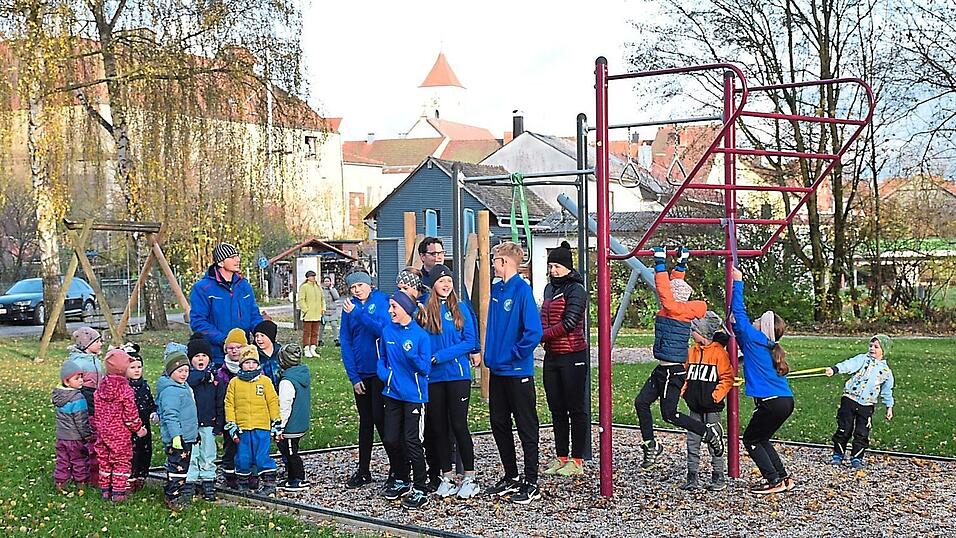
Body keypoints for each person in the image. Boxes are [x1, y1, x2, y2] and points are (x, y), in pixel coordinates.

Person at [635, 247, 723, 470]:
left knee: (670, 414)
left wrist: (660, 263)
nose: (663, 296)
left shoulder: (675, 309)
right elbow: (674, 286)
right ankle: (650, 445)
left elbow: (666, 289)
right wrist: (681, 263)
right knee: (641, 402)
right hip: (661, 370)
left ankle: (707, 432)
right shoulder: (674, 308)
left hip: (673, 372)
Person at [483, 242, 544, 505]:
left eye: (495, 259)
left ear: (505, 262)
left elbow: (534, 332)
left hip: (517, 371)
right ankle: (510, 475)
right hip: (497, 371)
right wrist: (491, 356)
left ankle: (531, 481)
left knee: (526, 425)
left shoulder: (522, 291)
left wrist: (514, 354)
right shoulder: (497, 289)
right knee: (499, 423)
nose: (493, 263)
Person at [730, 266, 794, 494]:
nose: (754, 321)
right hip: (785, 400)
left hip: (771, 402)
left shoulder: (754, 339)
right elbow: (737, 325)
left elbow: (738, 312)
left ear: (763, 328)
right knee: (762, 438)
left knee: (752, 440)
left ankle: (773, 480)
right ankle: (783, 478)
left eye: (758, 320)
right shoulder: (763, 344)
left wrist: (737, 282)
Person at [419, 264, 481, 499]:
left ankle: (469, 477)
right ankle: (446, 476)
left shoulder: (460, 307)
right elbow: (421, 339)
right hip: (434, 378)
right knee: (438, 428)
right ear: (433, 284)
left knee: (458, 425)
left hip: (457, 376)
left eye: (449, 281)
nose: (446, 285)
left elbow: (469, 341)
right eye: (441, 281)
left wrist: (440, 356)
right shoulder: (425, 309)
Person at [338, 270, 395, 489]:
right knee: (366, 421)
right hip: (361, 372)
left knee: (381, 419)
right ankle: (363, 469)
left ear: (370, 284)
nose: (357, 291)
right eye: (353, 288)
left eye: (360, 286)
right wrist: (353, 376)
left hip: (379, 370)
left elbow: (382, 329)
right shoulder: (348, 307)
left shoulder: (381, 301)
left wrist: (358, 314)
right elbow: (345, 340)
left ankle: (396, 466)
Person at [375, 290, 432, 509]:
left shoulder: (420, 336)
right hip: (392, 394)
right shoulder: (388, 331)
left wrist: (413, 357)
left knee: (412, 441)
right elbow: (381, 359)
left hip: (414, 397)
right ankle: (401, 477)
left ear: (406, 310)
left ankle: (420, 486)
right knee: (390, 438)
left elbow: (425, 368)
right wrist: (385, 375)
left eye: (394, 307)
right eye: (390, 307)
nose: (390, 311)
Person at [539, 241, 590, 477]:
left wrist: (543, 335)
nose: (553, 271)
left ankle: (577, 459)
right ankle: (561, 456)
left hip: (572, 355)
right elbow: (544, 315)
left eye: (557, 266)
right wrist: (539, 333)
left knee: (575, 408)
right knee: (556, 408)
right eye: (551, 266)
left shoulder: (576, 289)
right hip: (553, 355)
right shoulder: (549, 289)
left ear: (568, 267)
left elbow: (569, 323)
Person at [680, 312, 734, 491]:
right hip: (694, 406)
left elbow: (727, 378)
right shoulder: (692, 352)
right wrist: (684, 391)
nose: (691, 334)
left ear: (702, 333)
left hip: (711, 408)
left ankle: (718, 476)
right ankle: (692, 476)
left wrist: (715, 396)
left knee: (714, 441)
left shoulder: (719, 354)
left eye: (694, 330)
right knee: (692, 441)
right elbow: (686, 375)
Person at [825, 334, 895, 469]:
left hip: (867, 405)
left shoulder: (886, 372)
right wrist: (835, 369)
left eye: (876, 347)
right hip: (850, 399)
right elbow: (848, 364)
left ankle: (857, 458)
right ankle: (838, 455)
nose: (872, 349)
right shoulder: (862, 359)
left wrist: (889, 407)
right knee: (844, 428)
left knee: (862, 432)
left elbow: (887, 391)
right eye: (871, 346)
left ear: (884, 351)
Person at [189, 242, 264, 366]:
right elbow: (198, 322)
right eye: (232, 257)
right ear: (220, 262)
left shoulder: (244, 285)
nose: (237, 260)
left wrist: (261, 333)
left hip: (243, 354)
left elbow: (253, 314)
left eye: (237, 256)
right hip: (217, 355)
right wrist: (224, 341)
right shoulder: (203, 288)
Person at [224, 345, 281, 496]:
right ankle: (243, 482)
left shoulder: (265, 382)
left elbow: (273, 401)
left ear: (258, 364)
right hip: (243, 428)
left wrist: (276, 421)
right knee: (243, 457)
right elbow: (229, 403)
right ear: (241, 364)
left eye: (253, 362)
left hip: (261, 426)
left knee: (262, 456)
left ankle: (269, 483)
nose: (250, 366)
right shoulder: (234, 383)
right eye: (247, 363)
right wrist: (231, 423)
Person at [93, 349, 147, 502]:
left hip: (103, 432)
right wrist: (138, 429)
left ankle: (105, 489)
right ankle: (118, 492)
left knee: (104, 460)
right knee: (121, 461)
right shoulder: (125, 390)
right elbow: (130, 414)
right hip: (120, 434)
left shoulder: (101, 386)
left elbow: (97, 409)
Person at [156, 350, 199, 510]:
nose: (184, 374)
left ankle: (177, 493)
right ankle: (172, 496)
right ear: (170, 372)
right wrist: (176, 436)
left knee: (183, 467)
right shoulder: (170, 391)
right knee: (177, 468)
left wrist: (193, 434)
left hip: (187, 436)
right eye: (180, 371)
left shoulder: (183, 387)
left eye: (186, 370)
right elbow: (170, 415)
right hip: (178, 439)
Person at [185, 333, 220, 501]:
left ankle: (208, 480)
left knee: (208, 453)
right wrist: (203, 376)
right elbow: (190, 380)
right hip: (190, 424)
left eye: (204, 356)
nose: (201, 359)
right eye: (197, 356)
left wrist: (219, 421)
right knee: (192, 454)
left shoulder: (215, 377)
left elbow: (220, 401)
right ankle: (190, 481)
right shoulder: (187, 377)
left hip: (208, 422)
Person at [68, 327, 104, 486]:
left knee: (95, 435)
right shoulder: (77, 362)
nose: (101, 344)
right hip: (85, 398)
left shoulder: (95, 359)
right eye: (97, 341)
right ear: (86, 344)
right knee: (85, 435)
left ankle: (93, 472)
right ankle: (80, 472)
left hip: (96, 397)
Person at [276, 344, 312, 491]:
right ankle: (291, 477)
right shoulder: (302, 374)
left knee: (291, 453)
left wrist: (280, 426)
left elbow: (285, 405)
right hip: (301, 421)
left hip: (291, 425)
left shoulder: (287, 381)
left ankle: (298, 478)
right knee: (291, 451)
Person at [52, 359, 92, 490]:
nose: (81, 380)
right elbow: (81, 421)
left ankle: (60, 482)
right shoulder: (78, 398)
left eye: (81, 377)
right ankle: (81, 483)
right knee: (79, 460)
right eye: (77, 378)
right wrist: (87, 435)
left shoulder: (59, 396)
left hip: (62, 436)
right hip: (75, 438)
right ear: (66, 381)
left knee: (62, 460)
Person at [216, 328, 247, 489]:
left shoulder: (251, 367)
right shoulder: (222, 372)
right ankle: (229, 473)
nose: (234, 351)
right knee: (230, 445)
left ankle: (246, 472)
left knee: (246, 445)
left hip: (247, 414)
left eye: (238, 347)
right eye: (231, 348)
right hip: (230, 415)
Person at [124, 343, 157, 494]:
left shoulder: (144, 386)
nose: (137, 370)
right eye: (132, 367)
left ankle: (141, 476)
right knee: (132, 451)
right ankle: (130, 478)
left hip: (144, 424)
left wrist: (153, 411)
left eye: (139, 367)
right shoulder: (124, 387)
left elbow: (149, 402)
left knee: (145, 449)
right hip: (129, 426)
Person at [298, 270, 324, 357]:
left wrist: (323, 308)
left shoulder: (318, 287)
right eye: (311, 276)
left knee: (315, 332)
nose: (313, 278)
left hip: (317, 314)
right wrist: (305, 309)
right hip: (308, 314)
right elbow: (301, 300)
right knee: (307, 332)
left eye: (314, 276)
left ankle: (313, 348)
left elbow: (322, 299)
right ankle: (306, 348)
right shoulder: (304, 287)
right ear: (308, 277)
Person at [254, 320, 282, 388]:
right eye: (256, 336)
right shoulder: (254, 354)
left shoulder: (281, 353)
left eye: (262, 336)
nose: (258, 339)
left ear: (270, 337)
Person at [318, 275, 342, 348]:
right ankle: (320, 340)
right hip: (324, 311)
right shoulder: (321, 290)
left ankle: (336, 339)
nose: (326, 282)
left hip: (333, 311)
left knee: (334, 325)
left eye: (328, 281)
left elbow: (336, 297)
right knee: (322, 326)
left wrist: (331, 289)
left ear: (330, 282)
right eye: (325, 281)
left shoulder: (333, 289)